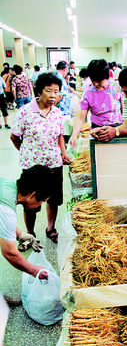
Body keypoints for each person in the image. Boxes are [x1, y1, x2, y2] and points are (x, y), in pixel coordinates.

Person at [10, 73, 72, 244]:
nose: (53, 95)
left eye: (56, 91)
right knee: (30, 203)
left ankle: (50, 228)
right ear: (39, 91)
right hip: (32, 166)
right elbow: (14, 137)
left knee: (53, 199)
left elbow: (60, 135)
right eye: (49, 91)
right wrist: (25, 151)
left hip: (54, 164)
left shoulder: (58, 113)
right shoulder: (25, 112)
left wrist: (63, 153)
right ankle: (29, 234)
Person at [0, 165, 55, 301]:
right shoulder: (6, 210)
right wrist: (34, 270)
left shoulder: (6, 185)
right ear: (32, 194)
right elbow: (10, 253)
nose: (40, 204)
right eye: (42, 200)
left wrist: (19, 234)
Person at [69, 59, 123, 149]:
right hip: (98, 132)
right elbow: (81, 117)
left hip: (117, 129)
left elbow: (123, 108)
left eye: (100, 81)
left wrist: (123, 127)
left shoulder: (116, 87)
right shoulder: (88, 93)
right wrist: (74, 135)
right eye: (94, 81)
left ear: (107, 77)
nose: (97, 84)